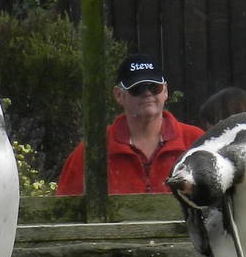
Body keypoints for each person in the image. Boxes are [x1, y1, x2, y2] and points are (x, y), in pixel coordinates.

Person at [55, 54, 206, 195]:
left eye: (154, 87)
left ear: (165, 91)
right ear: (119, 95)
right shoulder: (92, 151)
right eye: (137, 89)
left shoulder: (196, 141)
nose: (147, 93)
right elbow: (63, 211)